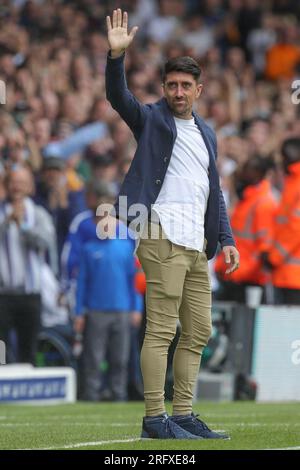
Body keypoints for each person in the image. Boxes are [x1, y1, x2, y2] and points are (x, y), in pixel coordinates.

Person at [105, 9, 239, 440]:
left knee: (199, 329)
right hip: (159, 230)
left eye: (185, 86)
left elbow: (212, 191)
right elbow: (118, 98)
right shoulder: (152, 119)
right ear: (164, 89)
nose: (178, 92)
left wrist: (226, 238)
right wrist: (115, 57)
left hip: (196, 242)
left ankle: (182, 414)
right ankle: (153, 418)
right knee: (162, 328)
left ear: (198, 90)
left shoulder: (208, 134)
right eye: (172, 85)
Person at [74, 181, 143, 401]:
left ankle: (118, 396)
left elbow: (135, 281)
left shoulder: (126, 246)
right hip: (96, 311)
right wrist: (78, 313)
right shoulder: (89, 249)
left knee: (120, 359)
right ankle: (92, 395)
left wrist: (137, 308)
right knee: (93, 358)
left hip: (122, 310)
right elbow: (82, 283)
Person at [0, 165, 57, 364]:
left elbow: (46, 242)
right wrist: (7, 223)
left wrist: (23, 226)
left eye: (22, 182)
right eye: (14, 182)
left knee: (29, 347)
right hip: (3, 294)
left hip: (30, 294)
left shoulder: (39, 213)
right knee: (1, 349)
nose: (17, 187)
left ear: (30, 187)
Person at [214, 156, 277, 303]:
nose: (243, 173)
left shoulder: (263, 203)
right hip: (233, 274)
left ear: (258, 173)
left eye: (248, 169)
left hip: (249, 279)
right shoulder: (248, 199)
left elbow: (265, 248)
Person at [265, 138, 300, 305]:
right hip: (287, 274)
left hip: (293, 276)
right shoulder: (292, 181)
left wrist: (274, 257)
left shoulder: (296, 183)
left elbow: (296, 227)